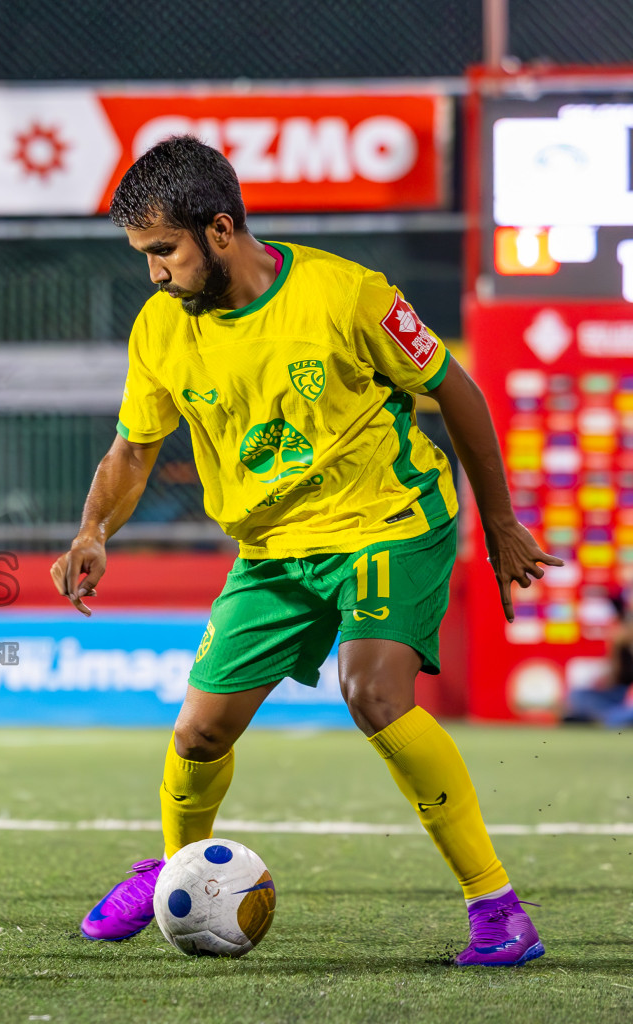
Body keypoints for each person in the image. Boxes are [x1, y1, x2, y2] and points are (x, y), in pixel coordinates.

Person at [51, 136, 559, 967]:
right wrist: (93, 529)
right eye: (144, 257)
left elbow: (454, 387)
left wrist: (498, 521)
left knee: (374, 693)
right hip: (273, 551)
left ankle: (497, 907)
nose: (154, 274)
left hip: (388, 521)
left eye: (163, 252)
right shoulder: (162, 330)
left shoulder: (345, 294)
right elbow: (134, 449)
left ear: (219, 231)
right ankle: (172, 866)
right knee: (200, 736)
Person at [563, 593, 633, 726]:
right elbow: (616, 678)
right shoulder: (618, 645)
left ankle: (602, 718)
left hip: (629, 701)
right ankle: (602, 717)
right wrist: (604, 682)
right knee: (578, 694)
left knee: (623, 715)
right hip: (619, 695)